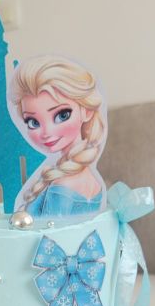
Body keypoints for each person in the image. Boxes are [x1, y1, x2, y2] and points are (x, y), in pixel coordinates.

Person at [11, 55, 108, 218]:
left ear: (86, 111)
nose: (46, 132)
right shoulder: (89, 179)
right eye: (33, 122)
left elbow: (51, 231)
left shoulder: (64, 185)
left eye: (62, 115)